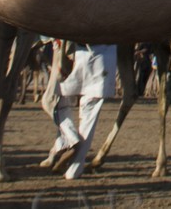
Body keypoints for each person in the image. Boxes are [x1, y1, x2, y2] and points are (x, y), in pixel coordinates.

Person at [45, 42, 117, 180]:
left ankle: (70, 139)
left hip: (78, 56)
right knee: (89, 116)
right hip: (104, 59)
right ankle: (74, 170)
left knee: (55, 103)